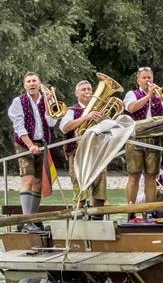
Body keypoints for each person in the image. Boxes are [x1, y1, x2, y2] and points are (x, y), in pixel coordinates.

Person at [6, 72, 63, 227]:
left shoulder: (45, 100)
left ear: (39, 84)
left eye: (34, 81)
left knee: (38, 182)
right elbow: (18, 126)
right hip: (24, 143)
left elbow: (51, 124)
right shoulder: (18, 101)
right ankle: (26, 220)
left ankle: (32, 219)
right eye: (28, 82)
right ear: (25, 85)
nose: (31, 84)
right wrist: (30, 145)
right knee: (28, 179)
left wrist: (49, 104)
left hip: (43, 143)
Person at [123, 67, 163, 207]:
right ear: (138, 80)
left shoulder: (159, 96)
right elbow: (131, 108)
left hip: (154, 139)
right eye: (144, 78)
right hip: (136, 138)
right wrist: (147, 96)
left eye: (149, 78)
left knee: (152, 176)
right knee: (134, 175)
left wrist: (162, 97)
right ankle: (131, 208)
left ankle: (149, 209)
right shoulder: (132, 94)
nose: (147, 80)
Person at [60, 79, 106, 205]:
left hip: (97, 154)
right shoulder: (71, 111)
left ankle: (98, 221)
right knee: (80, 193)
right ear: (76, 93)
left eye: (89, 89)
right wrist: (86, 117)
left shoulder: (100, 110)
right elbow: (65, 128)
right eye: (83, 90)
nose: (87, 92)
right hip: (77, 155)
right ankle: (79, 221)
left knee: (100, 193)